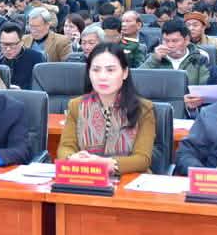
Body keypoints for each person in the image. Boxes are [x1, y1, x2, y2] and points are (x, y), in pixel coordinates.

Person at [56, 43, 154, 174]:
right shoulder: (76, 105)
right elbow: (65, 147)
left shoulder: (143, 108)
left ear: (125, 73)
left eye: (110, 70)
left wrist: (106, 164)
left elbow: (143, 159)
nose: (102, 77)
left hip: (129, 181)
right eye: (96, 70)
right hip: (87, 177)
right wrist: (72, 157)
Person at [142, 18, 211, 112]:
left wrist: (195, 100)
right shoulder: (154, 58)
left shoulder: (199, 58)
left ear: (186, 40)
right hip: (156, 110)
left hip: (189, 112)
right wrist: (154, 59)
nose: (170, 45)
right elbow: (137, 83)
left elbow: (205, 89)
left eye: (175, 41)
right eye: (166, 41)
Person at [0, 21, 44, 90]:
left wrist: (21, 91)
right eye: (4, 44)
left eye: (12, 45)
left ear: (21, 43)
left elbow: (40, 87)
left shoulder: (36, 58)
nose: (8, 49)